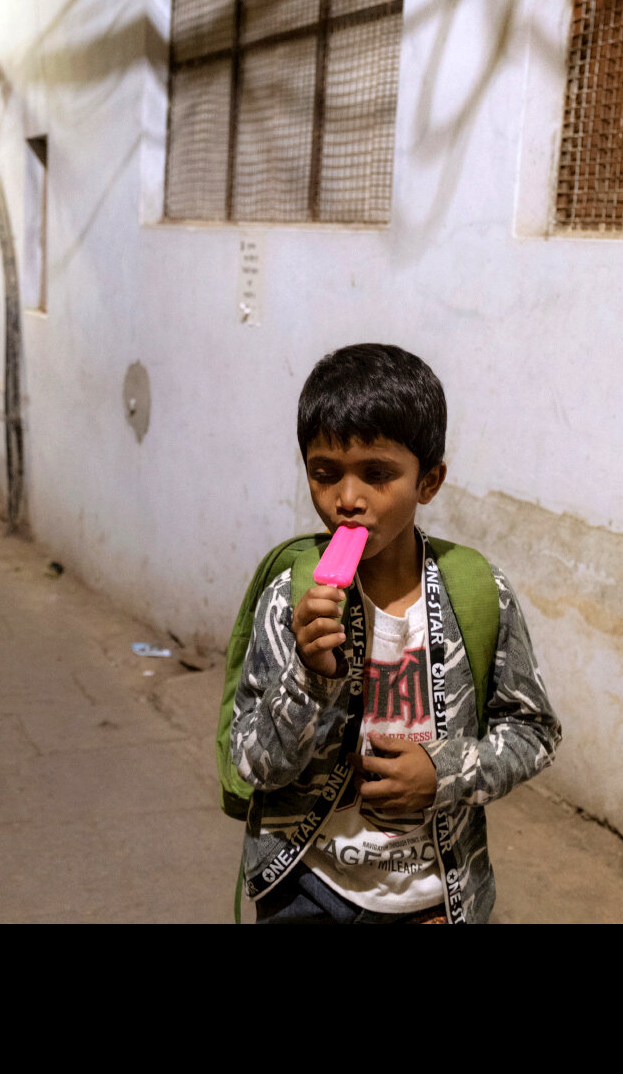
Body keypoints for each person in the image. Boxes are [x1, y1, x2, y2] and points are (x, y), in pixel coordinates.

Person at [229, 343, 563, 924]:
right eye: (324, 474)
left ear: (428, 481)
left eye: (377, 474)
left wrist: (444, 771)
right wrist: (310, 675)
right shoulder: (290, 596)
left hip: (433, 897)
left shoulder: (482, 593)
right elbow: (254, 765)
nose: (347, 500)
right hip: (307, 884)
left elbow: (534, 732)